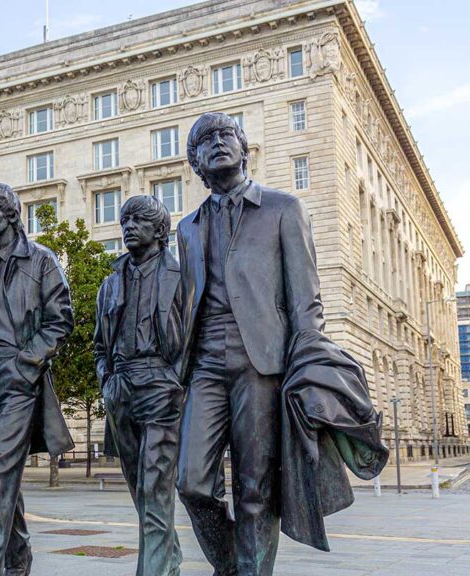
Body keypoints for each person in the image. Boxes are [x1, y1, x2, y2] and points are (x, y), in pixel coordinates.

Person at [175, 112, 386, 576]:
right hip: (206, 363)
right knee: (191, 481)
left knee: (255, 488)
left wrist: (307, 360)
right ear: (195, 162)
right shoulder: (186, 228)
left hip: (263, 364)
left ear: (244, 147)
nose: (217, 144)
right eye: (204, 141)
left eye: (225, 134)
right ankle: (233, 565)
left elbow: (305, 296)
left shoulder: (283, 208)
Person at [0, 181, 75, 576]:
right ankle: (18, 558)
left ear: (10, 215)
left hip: (17, 378)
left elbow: (60, 320)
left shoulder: (41, 260)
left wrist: (27, 363)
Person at [94, 194, 185, 576]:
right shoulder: (111, 282)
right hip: (122, 388)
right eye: (125, 220)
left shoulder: (181, 276)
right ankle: (169, 559)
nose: (129, 226)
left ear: (160, 231)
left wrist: (176, 381)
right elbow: (100, 343)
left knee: (154, 487)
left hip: (162, 386)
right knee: (140, 489)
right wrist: (106, 381)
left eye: (139, 221)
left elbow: (195, 336)